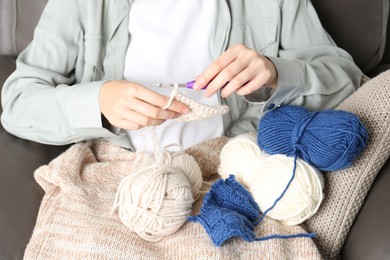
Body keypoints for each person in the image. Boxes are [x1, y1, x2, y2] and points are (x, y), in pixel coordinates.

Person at [1, 0, 363, 152]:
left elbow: (351, 82)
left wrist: (275, 72)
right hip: (120, 171)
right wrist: (98, 102)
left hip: (240, 168)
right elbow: (18, 102)